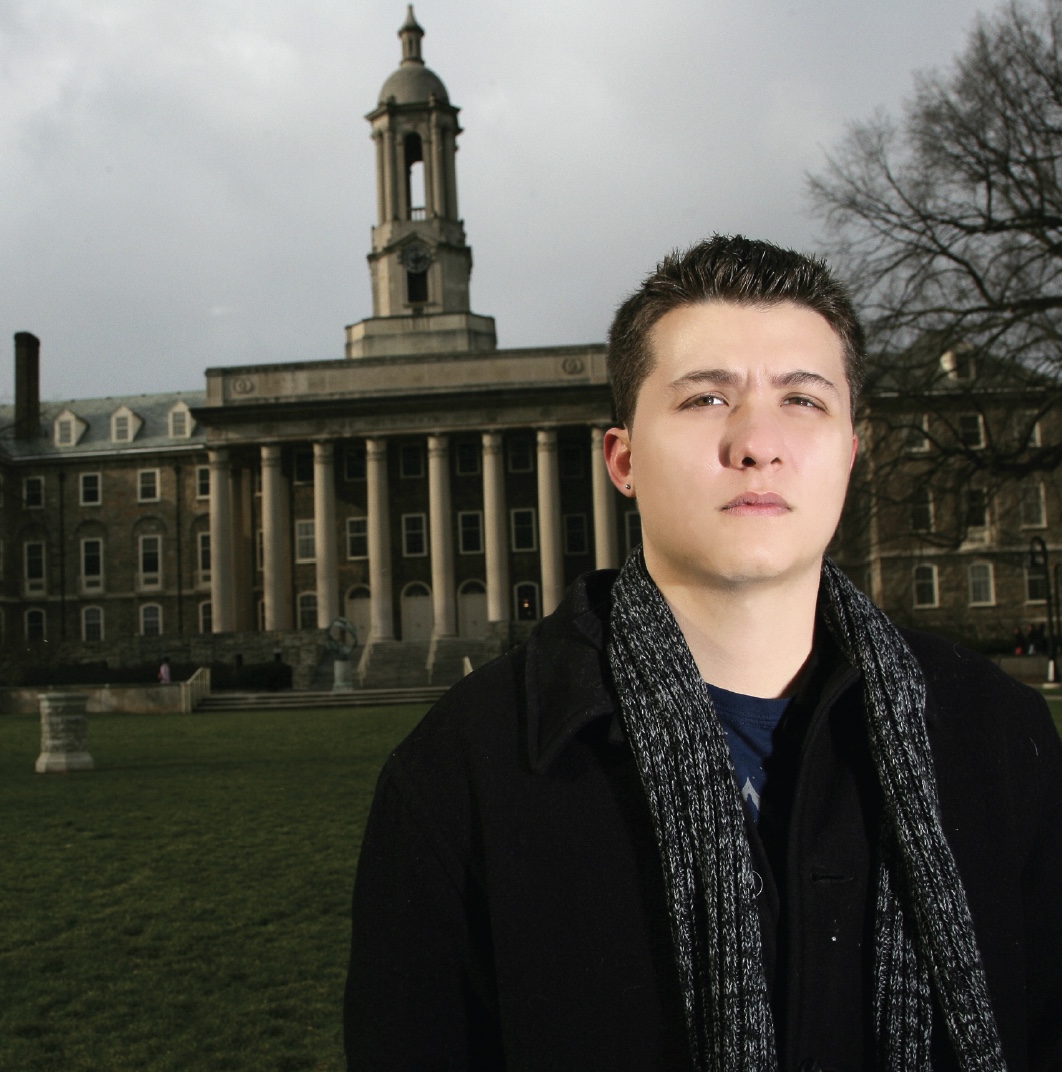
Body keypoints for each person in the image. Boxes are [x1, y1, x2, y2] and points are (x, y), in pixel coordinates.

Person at [344, 236, 1062, 1071]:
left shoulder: (999, 738)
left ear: (852, 453)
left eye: (803, 399)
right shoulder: (462, 773)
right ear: (623, 459)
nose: (758, 442)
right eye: (706, 399)